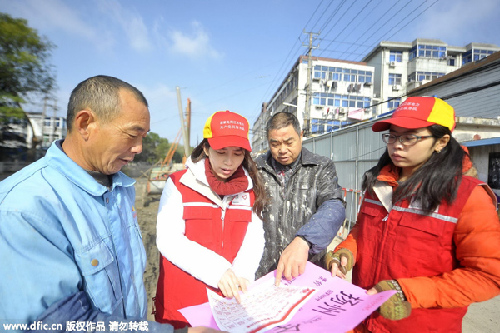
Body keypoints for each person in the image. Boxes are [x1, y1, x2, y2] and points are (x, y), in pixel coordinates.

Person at [0, 75, 221, 333]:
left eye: (143, 137)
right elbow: (56, 323)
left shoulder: (119, 189)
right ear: (85, 124)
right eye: (132, 135)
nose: (139, 148)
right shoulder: (24, 207)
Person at [326, 97, 500, 332]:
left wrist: (406, 292)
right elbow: (362, 229)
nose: (397, 145)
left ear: (441, 142)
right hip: (361, 319)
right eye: (393, 136)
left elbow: (488, 276)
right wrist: (346, 251)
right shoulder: (378, 183)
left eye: (409, 137)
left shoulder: (467, 197)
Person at [154, 110, 267, 329]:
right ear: (206, 148)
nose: (229, 162)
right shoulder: (180, 184)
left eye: (237, 153)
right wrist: (218, 271)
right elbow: (168, 239)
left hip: (229, 304)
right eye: (221, 152)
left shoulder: (249, 190)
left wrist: (243, 274)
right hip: (184, 306)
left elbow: (254, 238)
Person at [255, 111, 346, 284]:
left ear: (301, 135)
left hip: (306, 271)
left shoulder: (320, 167)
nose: (282, 150)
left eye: (289, 142)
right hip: (264, 275)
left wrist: (305, 240)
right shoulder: (256, 169)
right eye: (275, 144)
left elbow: (334, 206)